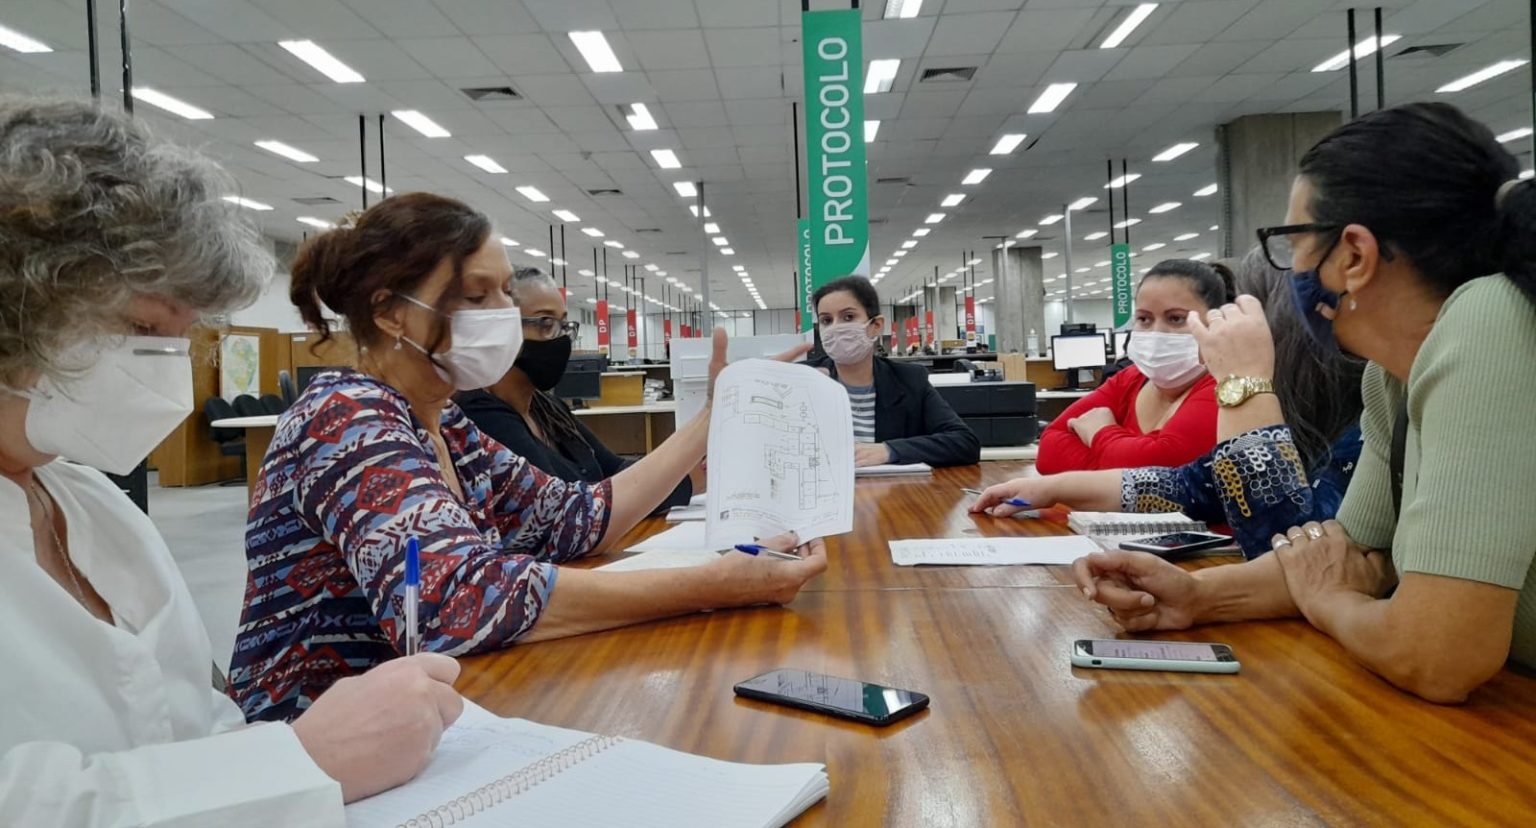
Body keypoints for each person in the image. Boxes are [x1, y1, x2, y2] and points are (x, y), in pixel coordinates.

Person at [0, 97, 465, 824]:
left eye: (177, 339)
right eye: (140, 330)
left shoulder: (94, 509)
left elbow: (194, 729)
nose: (165, 372)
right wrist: (297, 764)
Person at [229, 193, 826, 723]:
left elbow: (578, 518)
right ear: (391, 313)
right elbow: (455, 604)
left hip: (434, 716)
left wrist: (711, 417)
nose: (501, 314)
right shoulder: (346, 417)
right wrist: (713, 585)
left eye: (503, 293)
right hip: (323, 746)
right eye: (475, 295)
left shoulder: (445, 422)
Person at [1074, 102, 1536, 704]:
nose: (1287, 268)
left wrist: (1332, 602)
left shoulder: (1490, 319)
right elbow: (1351, 552)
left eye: (1290, 242)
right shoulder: (1390, 378)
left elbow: (1436, 655)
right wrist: (1200, 597)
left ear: (1353, 255)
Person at [974, 247, 1365, 559]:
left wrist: (1242, 383)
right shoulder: (1139, 380)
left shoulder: (1360, 428)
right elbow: (1184, 483)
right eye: (1143, 319)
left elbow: (1282, 547)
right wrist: (1054, 487)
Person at [458, 267, 693, 513]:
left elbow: (613, 468)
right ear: (501, 328)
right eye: (546, 322)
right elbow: (574, 508)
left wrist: (682, 466)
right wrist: (683, 474)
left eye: (564, 325)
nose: (561, 339)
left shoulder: (547, 407)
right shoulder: (481, 416)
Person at [1035, 259, 1233, 474]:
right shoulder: (1131, 379)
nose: (1157, 332)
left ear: (1215, 322)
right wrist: (1123, 460)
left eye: (1176, 318)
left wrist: (1101, 433)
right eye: (1144, 319)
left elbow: (1160, 470)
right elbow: (1049, 453)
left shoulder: (1225, 388)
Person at [805, 276, 980, 468]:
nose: (835, 328)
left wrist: (889, 450)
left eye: (848, 317)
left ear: (876, 325)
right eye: (826, 320)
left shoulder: (909, 380)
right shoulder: (803, 379)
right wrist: (767, 380)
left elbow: (965, 443)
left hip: (890, 494)